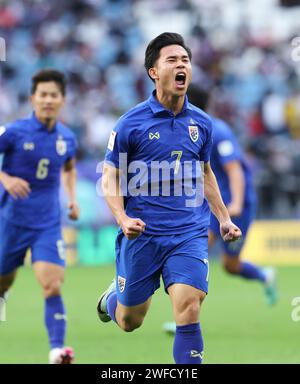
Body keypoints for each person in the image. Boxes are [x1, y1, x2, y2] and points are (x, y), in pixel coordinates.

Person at [97, 32, 241, 365]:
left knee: (189, 306)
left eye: (185, 60)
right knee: (130, 320)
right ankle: (111, 300)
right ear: (153, 71)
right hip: (143, 234)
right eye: (172, 60)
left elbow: (205, 174)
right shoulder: (129, 124)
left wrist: (223, 218)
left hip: (188, 233)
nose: (181, 66)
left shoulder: (202, 124)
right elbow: (110, 177)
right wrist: (122, 219)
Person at [163, 85, 278, 335]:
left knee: (211, 258)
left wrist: (235, 203)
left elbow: (234, 169)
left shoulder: (217, 130)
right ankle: (263, 275)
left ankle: (186, 315)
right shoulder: (185, 129)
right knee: (216, 262)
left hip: (235, 207)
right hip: (212, 205)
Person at [0, 69, 80, 364]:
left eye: (54, 95)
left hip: (46, 224)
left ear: (62, 100)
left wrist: (72, 199)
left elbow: (70, 167)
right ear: (33, 98)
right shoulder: (14, 132)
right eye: (42, 95)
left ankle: (57, 350)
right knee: (3, 283)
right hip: (10, 221)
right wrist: (5, 178)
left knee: (52, 284)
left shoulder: (67, 138)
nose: (48, 100)